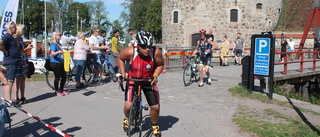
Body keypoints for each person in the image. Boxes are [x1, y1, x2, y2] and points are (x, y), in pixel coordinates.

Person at [117, 31, 164, 136]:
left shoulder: (155, 52)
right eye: (144, 46)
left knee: (155, 107)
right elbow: (120, 58)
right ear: (138, 45)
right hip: (133, 80)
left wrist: (155, 75)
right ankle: (127, 119)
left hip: (148, 80)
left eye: (150, 46)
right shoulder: (130, 52)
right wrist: (123, 72)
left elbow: (160, 64)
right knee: (128, 106)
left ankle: (154, 124)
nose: (148, 49)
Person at [0, 21, 19, 105]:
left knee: (8, 81)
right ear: (11, 28)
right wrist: (5, 51)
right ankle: (8, 99)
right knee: (10, 81)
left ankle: (8, 99)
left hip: (12, 61)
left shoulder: (11, 37)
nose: (16, 29)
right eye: (15, 27)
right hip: (10, 61)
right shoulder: (7, 36)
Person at [13, 24, 33, 104]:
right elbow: (17, 51)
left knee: (23, 78)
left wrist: (28, 46)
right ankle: (16, 97)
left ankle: (22, 96)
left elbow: (23, 48)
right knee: (18, 79)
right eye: (23, 30)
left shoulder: (21, 38)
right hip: (19, 60)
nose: (24, 31)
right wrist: (26, 49)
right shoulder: (15, 39)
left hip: (24, 60)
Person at [50, 31, 69, 96]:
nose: (60, 36)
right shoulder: (53, 44)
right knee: (57, 76)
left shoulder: (59, 44)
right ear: (55, 36)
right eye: (59, 35)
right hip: (55, 62)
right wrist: (58, 52)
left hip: (61, 62)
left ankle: (61, 89)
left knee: (64, 76)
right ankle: (56, 90)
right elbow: (52, 53)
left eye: (61, 35)